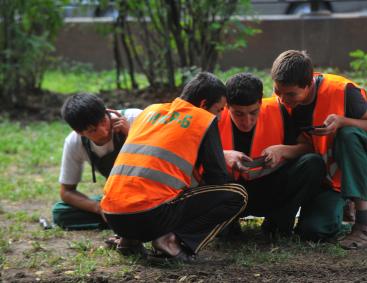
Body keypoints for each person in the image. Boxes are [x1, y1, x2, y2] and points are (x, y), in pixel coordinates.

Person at [101, 72, 248, 262]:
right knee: (237, 194)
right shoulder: (203, 118)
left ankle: (128, 240)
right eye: (219, 109)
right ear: (203, 105)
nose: (220, 116)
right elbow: (217, 178)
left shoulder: (149, 111)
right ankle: (171, 241)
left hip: (112, 217)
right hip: (150, 218)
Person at [271, 50, 367, 249]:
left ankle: (365, 223)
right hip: (331, 174)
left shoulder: (342, 90)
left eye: (290, 94)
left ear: (309, 84)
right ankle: (346, 202)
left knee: (348, 134)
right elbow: (306, 147)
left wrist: (342, 121)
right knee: (313, 231)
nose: (283, 99)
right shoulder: (286, 103)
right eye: (278, 91)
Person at [218, 73, 325, 238]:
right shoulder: (214, 117)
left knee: (313, 163)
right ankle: (226, 225)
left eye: (253, 112)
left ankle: (277, 224)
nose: (247, 121)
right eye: (238, 114)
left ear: (260, 102)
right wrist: (222, 155)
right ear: (227, 106)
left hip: (271, 190)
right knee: (224, 235)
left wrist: (283, 150)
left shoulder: (278, 111)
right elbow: (191, 154)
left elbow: (308, 148)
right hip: (230, 194)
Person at [53, 93, 142, 229]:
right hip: (122, 198)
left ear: (107, 111)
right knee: (61, 212)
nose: (103, 131)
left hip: (153, 191)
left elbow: (163, 154)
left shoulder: (135, 118)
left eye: (103, 121)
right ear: (79, 132)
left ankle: (124, 220)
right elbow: (66, 192)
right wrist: (99, 208)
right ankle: (122, 219)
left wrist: (131, 135)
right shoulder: (74, 142)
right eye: (93, 130)